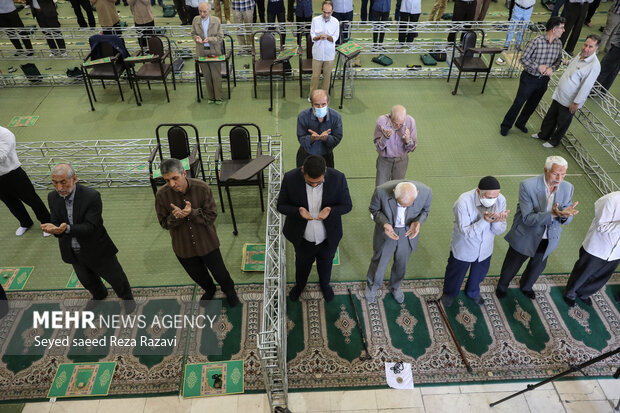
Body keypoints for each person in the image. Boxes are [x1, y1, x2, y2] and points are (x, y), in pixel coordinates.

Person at [42, 164, 135, 311]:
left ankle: (127, 299)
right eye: (55, 182)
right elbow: (55, 221)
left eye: (63, 182)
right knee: (87, 280)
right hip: (72, 250)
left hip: (97, 249)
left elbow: (90, 227)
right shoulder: (52, 197)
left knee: (116, 278)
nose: (59, 187)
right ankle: (99, 294)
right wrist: (54, 229)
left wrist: (66, 229)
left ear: (74, 179)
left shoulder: (91, 196)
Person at [155, 158, 239, 307]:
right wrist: (176, 217)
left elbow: (211, 216)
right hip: (183, 247)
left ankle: (229, 290)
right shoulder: (161, 196)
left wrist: (192, 213)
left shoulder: (202, 188)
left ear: (184, 173)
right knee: (198, 275)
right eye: (167, 181)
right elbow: (163, 223)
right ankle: (210, 289)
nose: (172, 184)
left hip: (207, 243)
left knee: (220, 273)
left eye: (175, 178)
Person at [495, 156, 579, 300]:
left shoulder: (568, 187)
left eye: (563, 174)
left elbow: (567, 213)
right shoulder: (528, 186)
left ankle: (526, 286)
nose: (560, 178)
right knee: (511, 266)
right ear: (546, 170)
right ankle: (502, 286)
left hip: (548, 238)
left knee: (536, 267)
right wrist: (552, 214)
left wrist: (565, 216)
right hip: (526, 234)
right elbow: (527, 218)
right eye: (555, 173)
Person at [277, 155, 352, 302]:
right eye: (310, 182)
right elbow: (281, 205)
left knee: (326, 264)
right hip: (302, 237)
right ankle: (300, 286)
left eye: (318, 182)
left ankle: (325, 285)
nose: (314, 186)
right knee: (302, 265)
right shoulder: (290, 178)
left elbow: (347, 205)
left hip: (328, 237)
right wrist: (298, 211)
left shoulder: (338, 178)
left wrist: (330, 210)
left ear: (325, 171)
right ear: (303, 171)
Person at [441, 176, 508, 307]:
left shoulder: (501, 200)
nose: (493, 199)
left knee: (479, 274)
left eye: (496, 195)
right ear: (478, 191)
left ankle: (473, 292)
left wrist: (497, 221)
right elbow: (466, 232)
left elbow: (499, 230)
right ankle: (449, 293)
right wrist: (485, 221)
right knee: (455, 273)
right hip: (464, 246)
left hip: (485, 248)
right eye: (489, 197)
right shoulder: (463, 202)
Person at [365, 180, 432, 304]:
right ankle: (372, 286)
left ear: (416, 193)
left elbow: (425, 211)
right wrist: (385, 224)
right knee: (380, 261)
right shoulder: (381, 191)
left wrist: (417, 222)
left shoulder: (426, 192)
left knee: (402, 262)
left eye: (408, 205)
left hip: (408, 231)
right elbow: (374, 210)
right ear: (394, 192)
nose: (405, 208)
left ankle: (395, 287)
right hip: (387, 230)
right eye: (401, 204)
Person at [500, 17, 565, 137]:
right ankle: (506, 125)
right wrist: (538, 67)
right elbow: (523, 58)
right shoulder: (536, 41)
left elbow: (558, 60)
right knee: (519, 103)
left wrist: (552, 68)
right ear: (553, 29)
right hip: (529, 78)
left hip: (544, 80)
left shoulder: (559, 44)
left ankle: (521, 123)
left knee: (532, 104)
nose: (564, 30)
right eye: (561, 28)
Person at [533, 35, 601, 148]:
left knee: (562, 123)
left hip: (571, 100)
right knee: (550, 116)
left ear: (596, 48)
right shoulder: (580, 54)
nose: (586, 48)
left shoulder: (594, 66)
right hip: (560, 94)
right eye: (585, 45)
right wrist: (567, 62)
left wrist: (576, 103)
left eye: (590, 47)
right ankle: (543, 135)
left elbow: (586, 87)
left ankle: (554, 141)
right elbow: (574, 67)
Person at [563, 192, 620, 307]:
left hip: (616, 252)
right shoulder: (610, 200)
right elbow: (601, 227)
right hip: (597, 248)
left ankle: (584, 294)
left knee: (601, 277)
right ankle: (570, 294)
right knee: (582, 273)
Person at [0, 126, 51, 237]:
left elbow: (1, 156)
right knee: (11, 203)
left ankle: (47, 222)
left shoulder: (4, 134)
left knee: (32, 199)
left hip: (14, 175)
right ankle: (25, 223)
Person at [296, 89, 343, 168]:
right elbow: (301, 138)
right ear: (311, 103)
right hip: (306, 154)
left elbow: (338, 137)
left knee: (327, 179)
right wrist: (311, 139)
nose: (320, 107)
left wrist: (327, 139)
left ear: (328, 102)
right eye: (317, 104)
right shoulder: (303, 116)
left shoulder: (336, 117)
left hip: (326, 156)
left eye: (323, 104)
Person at [373, 105, 417, 187]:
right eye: (395, 123)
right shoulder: (381, 122)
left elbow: (413, 147)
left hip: (401, 160)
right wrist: (385, 138)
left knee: (398, 188)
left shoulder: (410, 121)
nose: (398, 126)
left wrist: (408, 140)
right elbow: (378, 148)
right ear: (390, 117)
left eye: (401, 124)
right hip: (384, 160)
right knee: (380, 187)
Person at [192, 2, 224, 104]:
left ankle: (218, 97)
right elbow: (193, 33)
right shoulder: (195, 20)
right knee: (206, 75)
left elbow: (220, 37)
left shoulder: (216, 21)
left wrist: (209, 39)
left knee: (216, 75)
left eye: (205, 11)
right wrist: (196, 38)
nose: (202, 14)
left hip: (214, 51)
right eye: (200, 11)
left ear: (210, 11)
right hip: (201, 51)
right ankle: (211, 97)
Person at [310, 1, 339, 95]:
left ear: (332, 11)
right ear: (321, 10)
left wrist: (328, 37)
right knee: (315, 76)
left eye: (328, 13)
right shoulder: (315, 20)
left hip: (329, 54)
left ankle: (324, 97)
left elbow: (335, 37)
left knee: (327, 77)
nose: (326, 14)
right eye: (324, 12)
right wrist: (319, 37)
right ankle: (312, 96)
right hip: (317, 53)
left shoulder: (335, 22)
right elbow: (312, 36)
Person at [596, 27, 620, 92]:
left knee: (603, 69)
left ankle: (592, 90)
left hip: (617, 48)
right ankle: (603, 92)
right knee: (614, 71)